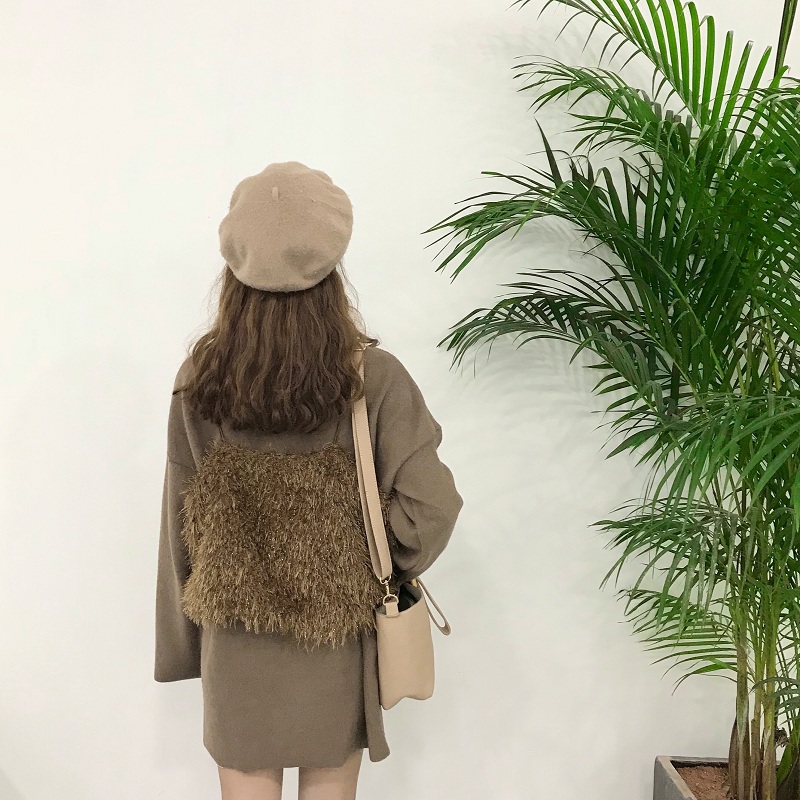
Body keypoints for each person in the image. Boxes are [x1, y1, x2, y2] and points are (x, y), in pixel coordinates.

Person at [154, 161, 464, 800]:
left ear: (234, 273)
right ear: (331, 270)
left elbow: (180, 520)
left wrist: (182, 645)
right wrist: (367, 563)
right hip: (336, 645)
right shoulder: (372, 378)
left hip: (234, 648)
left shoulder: (200, 380)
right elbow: (432, 505)